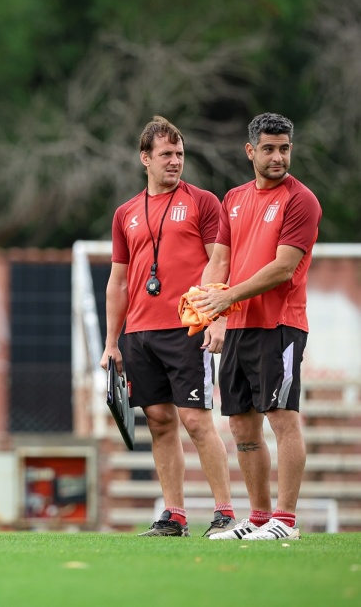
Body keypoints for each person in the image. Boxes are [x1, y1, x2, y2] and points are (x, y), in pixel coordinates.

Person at [101, 116, 234, 537]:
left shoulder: (203, 202)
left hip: (187, 329)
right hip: (139, 334)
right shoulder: (125, 213)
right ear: (145, 158)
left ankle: (225, 512)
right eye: (166, 154)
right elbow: (118, 282)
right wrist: (111, 342)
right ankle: (174, 516)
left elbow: (221, 262)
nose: (175, 161)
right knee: (159, 421)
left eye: (179, 154)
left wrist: (217, 317)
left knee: (196, 421)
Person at [194, 113, 321, 541]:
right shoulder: (233, 198)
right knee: (242, 426)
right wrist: (211, 311)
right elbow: (220, 261)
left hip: (280, 323)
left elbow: (284, 268)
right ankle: (260, 518)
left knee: (282, 418)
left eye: (284, 148)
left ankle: (286, 521)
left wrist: (227, 297)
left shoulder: (301, 200)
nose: (277, 156)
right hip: (238, 326)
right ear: (250, 151)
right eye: (268, 148)